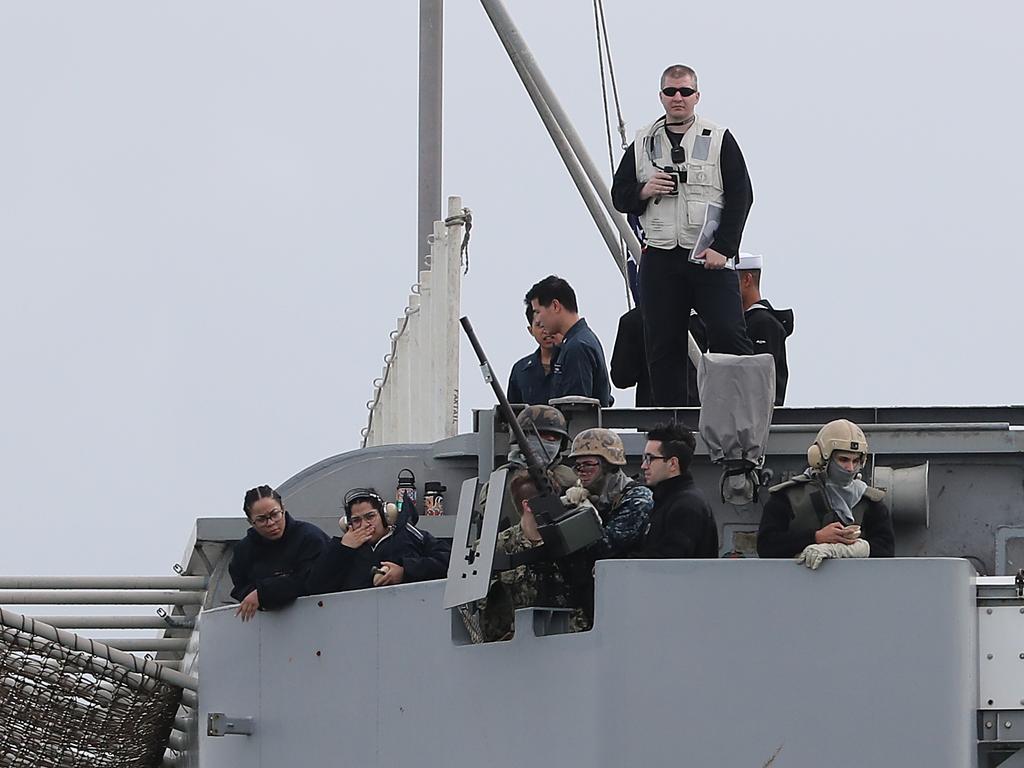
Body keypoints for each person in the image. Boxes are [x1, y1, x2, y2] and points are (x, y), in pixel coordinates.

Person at [611, 63, 754, 406]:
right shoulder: (644, 141)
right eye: (671, 92)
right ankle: (670, 424)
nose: (678, 98)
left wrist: (724, 247)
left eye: (685, 92)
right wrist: (645, 190)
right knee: (662, 344)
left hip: (706, 256)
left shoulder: (718, 138)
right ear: (661, 96)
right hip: (660, 256)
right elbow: (620, 194)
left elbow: (741, 195)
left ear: (697, 96)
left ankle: (745, 412)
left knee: (729, 335)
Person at [757, 419, 895, 566]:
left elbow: (886, 549)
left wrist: (840, 549)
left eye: (855, 461)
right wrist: (816, 537)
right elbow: (766, 545)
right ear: (821, 458)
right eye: (843, 459)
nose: (850, 468)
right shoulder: (787, 497)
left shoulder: (871, 502)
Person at [474, 470, 584, 641]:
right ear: (528, 505)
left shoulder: (571, 541)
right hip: (512, 650)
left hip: (568, 643)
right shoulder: (495, 548)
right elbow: (478, 606)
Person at [306, 488, 451, 594]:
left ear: (386, 515)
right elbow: (315, 586)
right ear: (347, 525)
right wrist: (343, 549)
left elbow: (448, 560)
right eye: (356, 520)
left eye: (370, 517)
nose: (364, 525)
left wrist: (405, 571)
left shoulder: (410, 536)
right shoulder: (341, 550)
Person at [229, 485, 330, 621]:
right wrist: (255, 596)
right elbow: (240, 586)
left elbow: (310, 580)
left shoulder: (311, 538)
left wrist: (263, 593)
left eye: (275, 514)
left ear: (283, 508)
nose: (271, 523)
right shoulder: (243, 551)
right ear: (251, 522)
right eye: (261, 519)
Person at [479, 404, 578, 531]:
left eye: (556, 438)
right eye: (543, 434)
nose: (550, 441)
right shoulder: (500, 479)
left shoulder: (571, 479)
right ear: (523, 437)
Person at [631, 421, 719, 558]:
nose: (643, 465)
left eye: (649, 458)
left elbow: (670, 561)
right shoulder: (669, 500)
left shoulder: (687, 506)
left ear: (673, 463)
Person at [526, 275, 613, 407]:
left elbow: (578, 413)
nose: (538, 320)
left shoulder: (577, 347)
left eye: (538, 312)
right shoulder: (578, 341)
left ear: (555, 306)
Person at [567, 428, 653, 558]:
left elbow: (604, 548)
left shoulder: (638, 499)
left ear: (609, 466)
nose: (581, 471)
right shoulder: (589, 495)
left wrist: (585, 514)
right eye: (578, 466)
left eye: (588, 464)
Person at [737, 253, 794, 405]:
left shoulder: (763, 323)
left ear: (747, 280)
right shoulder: (748, 321)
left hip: (759, 419)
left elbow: (761, 381)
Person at [507, 304, 563, 405]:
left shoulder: (573, 360)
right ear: (530, 330)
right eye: (540, 325)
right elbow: (512, 412)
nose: (547, 331)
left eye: (550, 324)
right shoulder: (520, 369)